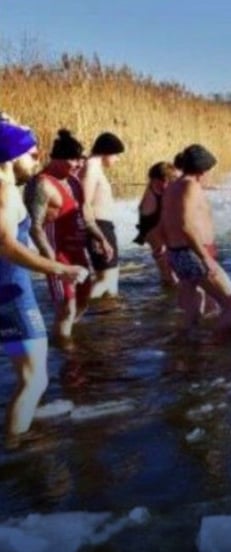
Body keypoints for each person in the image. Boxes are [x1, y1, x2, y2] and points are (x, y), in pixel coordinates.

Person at [0, 119, 88, 441]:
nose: (37, 162)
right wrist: (58, 269)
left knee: (29, 377)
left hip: (8, 291)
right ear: (10, 157)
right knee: (34, 380)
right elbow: (7, 245)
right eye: (32, 154)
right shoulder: (5, 192)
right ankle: (16, 448)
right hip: (11, 295)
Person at [24, 129, 107, 341]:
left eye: (81, 160)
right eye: (74, 160)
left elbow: (86, 218)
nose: (79, 165)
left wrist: (101, 239)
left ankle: (66, 339)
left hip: (77, 252)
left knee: (83, 300)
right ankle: (66, 356)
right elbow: (35, 227)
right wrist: (52, 264)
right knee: (66, 307)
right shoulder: (41, 184)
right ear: (57, 158)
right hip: (57, 254)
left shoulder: (73, 182)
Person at [161, 144, 231, 330]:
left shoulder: (173, 187)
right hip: (194, 253)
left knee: (194, 309)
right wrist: (206, 258)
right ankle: (217, 352)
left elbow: (164, 222)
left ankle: (191, 351)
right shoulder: (191, 186)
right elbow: (187, 225)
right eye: (209, 171)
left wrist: (170, 252)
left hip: (178, 252)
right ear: (202, 170)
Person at [81, 131, 125, 298]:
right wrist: (98, 236)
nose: (117, 159)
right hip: (98, 226)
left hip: (103, 226)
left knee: (110, 280)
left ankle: (108, 320)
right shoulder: (92, 167)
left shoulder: (94, 167)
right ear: (107, 151)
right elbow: (84, 203)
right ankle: (77, 311)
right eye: (116, 155)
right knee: (105, 279)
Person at [133, 161, 178, 286]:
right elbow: (149, 223)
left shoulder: (158, 185)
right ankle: (169, 285)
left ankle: (168, 285)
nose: (168, 184)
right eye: (166, 181)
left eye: (171, 181)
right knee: (165, 265)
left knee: (169, 263)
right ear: (155, 180)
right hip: (151, 227)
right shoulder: (150, 199)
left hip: (156, 225)